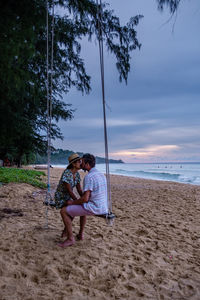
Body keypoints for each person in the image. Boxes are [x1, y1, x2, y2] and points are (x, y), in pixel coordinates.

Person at [58, 153, 108, 248]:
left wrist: (72, 202)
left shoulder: (89, 177)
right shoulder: (101, 174)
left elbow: (85, 199)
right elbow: (86, 197)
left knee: (63, 211)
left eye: (83, 162)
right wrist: (79, 201)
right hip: (103, 207)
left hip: (94, 207)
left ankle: (70, 239)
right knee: (82, 207)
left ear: (88, 164)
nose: (81, 164)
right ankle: (80, 234)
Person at [54, 153, 85, 239]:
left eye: (81, 161)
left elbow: (79, 190)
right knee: (73, 209)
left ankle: (71, 232)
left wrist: (84, 198)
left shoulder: (77, 174)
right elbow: (69, 190)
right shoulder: (67, 173)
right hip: (61, 197)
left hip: (68, 197)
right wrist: (77, 201)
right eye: (79, 161)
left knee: (77, 210)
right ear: (73, 164)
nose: (81, 163)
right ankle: (65, 232)